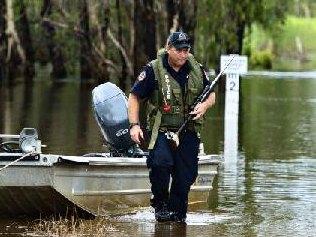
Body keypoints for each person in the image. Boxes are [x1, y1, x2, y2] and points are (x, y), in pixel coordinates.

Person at [128, 32, 216, 222]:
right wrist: (134, 125)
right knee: (160, 163)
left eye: (187, 50)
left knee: (186, 175)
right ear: (168, 48)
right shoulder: (153, 70)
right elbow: (134, 97)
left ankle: (177, 215)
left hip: (189, 130)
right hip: (161, 129)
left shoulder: (196, 69)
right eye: (179, 50)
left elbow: (212, 95)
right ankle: (160, 204)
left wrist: (204, 106)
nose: (183, 54)